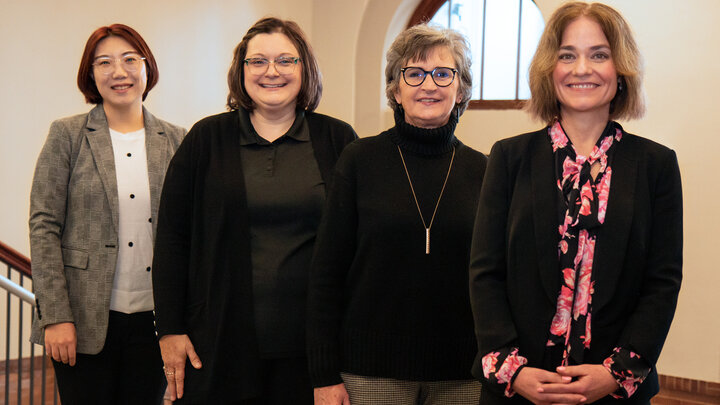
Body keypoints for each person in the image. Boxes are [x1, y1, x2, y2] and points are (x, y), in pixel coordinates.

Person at [469, 2, 682, 404]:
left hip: (615, 391)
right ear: (550, 70)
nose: (581, 68)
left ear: (621, 71)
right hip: (519, 388)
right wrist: (513, 371)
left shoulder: (657, 165)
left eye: (599, 54)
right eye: (567, 55)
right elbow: (485, 272)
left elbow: (662, 282)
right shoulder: (508, 158)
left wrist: (616, 372)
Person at [151, 17, 357, 404]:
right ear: (240, 71)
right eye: (257, 61)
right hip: (217, 345)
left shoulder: (338, 139)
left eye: (286, 60)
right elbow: (172, 240)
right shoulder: (205, 139)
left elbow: (358, 244)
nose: (271, 72)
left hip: (314, 353)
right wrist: (170, 330)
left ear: (305, 69)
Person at [307, 24, 487, 405]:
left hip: (464, 375)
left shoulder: (485, 170)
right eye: (414, 73)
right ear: (395, 89)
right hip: (370, 372)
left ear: (461, 90)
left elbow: (496, 281)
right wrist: (323, 374)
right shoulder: (359, 160)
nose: (429, 85)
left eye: (443, 73)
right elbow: (326, 272)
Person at [29, 24, 186, 404]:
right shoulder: (67, 135)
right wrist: (55, 316)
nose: (119, 72)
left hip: (154, 321)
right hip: (81, 321)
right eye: (105, 62)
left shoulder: (178, 140)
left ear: (147, 69)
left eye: (130, 59)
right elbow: (44, 225)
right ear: (90, 74)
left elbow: (186, 235)